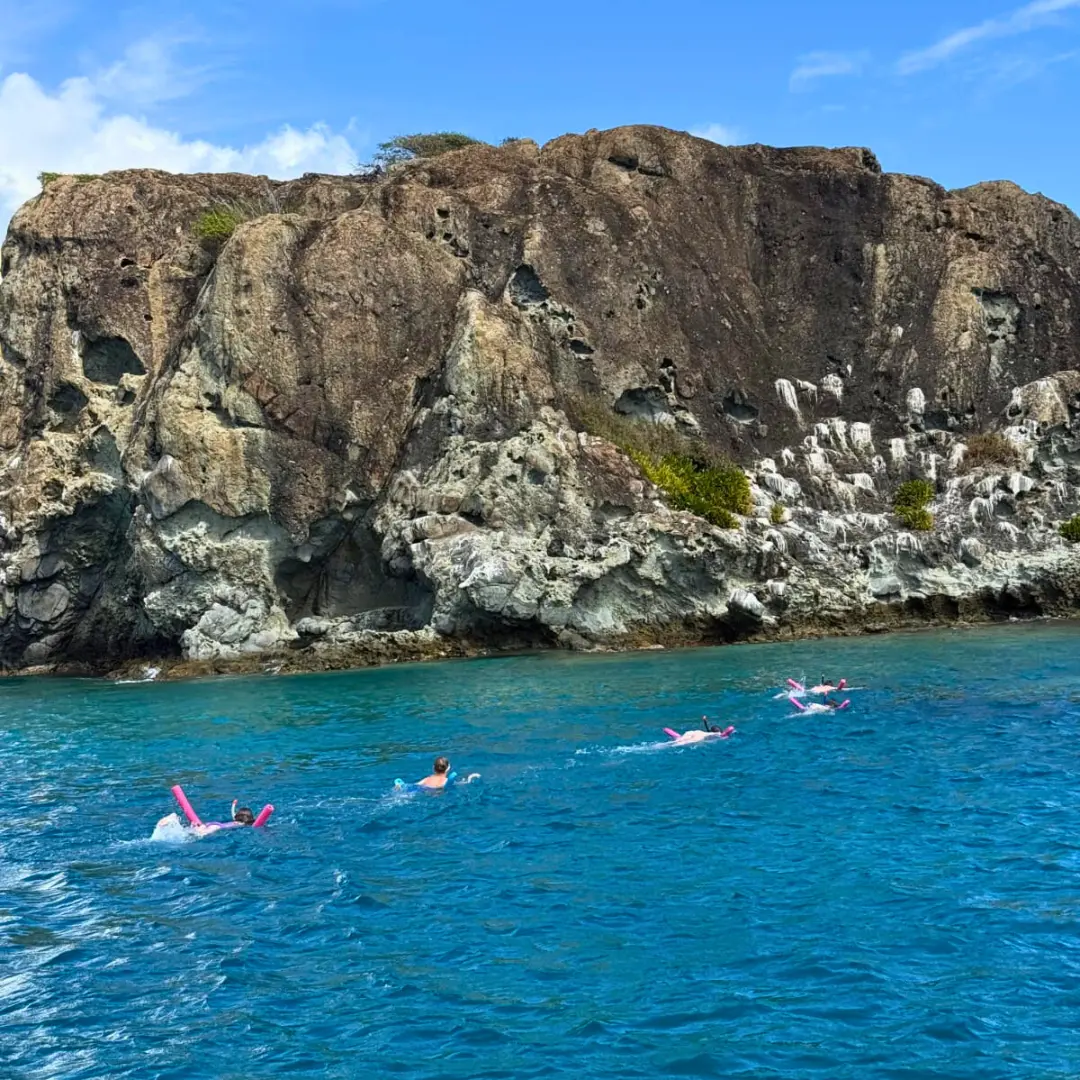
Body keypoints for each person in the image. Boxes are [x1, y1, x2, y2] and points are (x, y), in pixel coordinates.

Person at [409, 756, 480, 790]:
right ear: (448, 768)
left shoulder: (426, 779)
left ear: (433, 767)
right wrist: (470, 777)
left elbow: (413, 785)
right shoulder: (446, 781)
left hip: (426, 791)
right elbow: (463, 783)